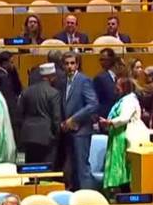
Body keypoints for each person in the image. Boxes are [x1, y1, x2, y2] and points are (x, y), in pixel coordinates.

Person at [99, 77, 152, 191]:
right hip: (118, 135)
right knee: (122, 168)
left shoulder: (130, 100)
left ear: (124, 87)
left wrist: (110, 122)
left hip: (126, 137)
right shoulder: (123, 100)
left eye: (118, 85)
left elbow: (124, 118)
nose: (116, 88)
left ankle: (127, 194)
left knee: (125, 169)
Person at [61, 51, 99, 191]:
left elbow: (93, 104)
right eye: (66, 64)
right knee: (73, 169)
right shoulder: (63, 82)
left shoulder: (84, 80)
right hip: (68, 130)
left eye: (72, 63)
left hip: (81, 130)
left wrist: (74, 119)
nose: (70, 66)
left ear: (77, 65)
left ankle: (88, 198)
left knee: (82, 168)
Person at [19, 63, 62, 164]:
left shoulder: (26, 91)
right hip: (46, 137)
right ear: (51, 77)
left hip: (27, 136)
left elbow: (20, 115)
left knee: (28, 167)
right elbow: (56, 118)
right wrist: (57, 136)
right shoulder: (54, 93)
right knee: (46, 168)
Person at [94, 48, 119, 119]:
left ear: (111, 60)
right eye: (100, 60)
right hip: (106, 116)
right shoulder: (100, 78)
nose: (101, 62)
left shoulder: (120, 76)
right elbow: (96, 100)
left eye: (103, 59)